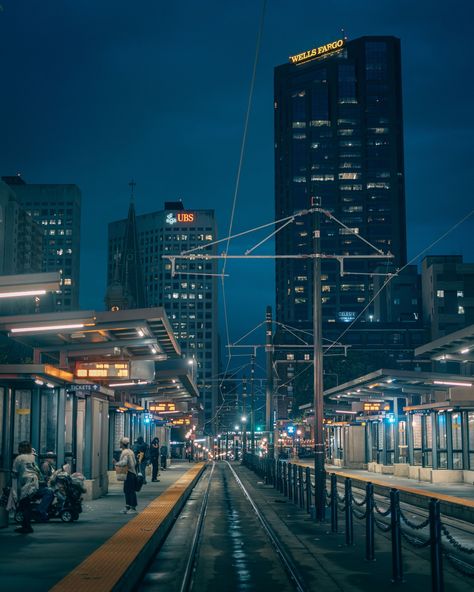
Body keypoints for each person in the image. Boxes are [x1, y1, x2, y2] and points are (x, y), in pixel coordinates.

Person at [11, 441, 40, 533]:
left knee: (24, 505)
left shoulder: (19, 458)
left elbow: (14, 473)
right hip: (34, 482)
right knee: (26, 505)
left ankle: (27, 527)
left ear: (20, 448)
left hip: (26, 483)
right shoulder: (32, 457)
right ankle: (26, 525)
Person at [114, 437, 138, 514]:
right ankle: (128, 506)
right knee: (128, 490)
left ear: (122, 444)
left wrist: (116, 463)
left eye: (120, 443)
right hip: (132, 473)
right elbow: (135, 462)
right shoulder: (130, 451)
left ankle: (133, 508)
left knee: (130, 491)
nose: (119, 444)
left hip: (129, 473)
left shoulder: (125, 452)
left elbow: (124, 462)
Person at [36, 451, 56, 521]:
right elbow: (46, 477)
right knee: (50, 492)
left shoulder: (49, 465)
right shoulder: (46, 465)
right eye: (52, 457)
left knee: (52, 492)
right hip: (42, 486)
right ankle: (41, 511)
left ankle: (46, 510)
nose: (53, 459)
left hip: (44, 485)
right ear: (47, 458)